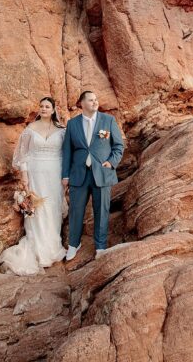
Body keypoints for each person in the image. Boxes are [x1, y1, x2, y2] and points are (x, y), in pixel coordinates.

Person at [0, 96, 67, 275]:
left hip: (55, 173)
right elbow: (23, 156)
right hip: (35, 173)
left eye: (47, 106)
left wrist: (66, 177)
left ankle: (53, 247)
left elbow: (67, 154)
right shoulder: (30, 129)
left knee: (52, 208)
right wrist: (25, 178)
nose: (43, 109)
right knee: (37, 209)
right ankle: (38, 250)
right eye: (41, 106)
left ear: (53, 110)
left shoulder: (62, 130)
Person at [61, 90, 124, 261]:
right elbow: (67, 151)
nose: (95, 102)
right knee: (76, 211)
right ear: (82, 103)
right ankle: (74, 244)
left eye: (96, 100)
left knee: (102, 211)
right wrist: (65, 175)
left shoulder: (108, 120)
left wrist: (111, 162)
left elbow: (119, 146)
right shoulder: (72, 124)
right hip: (78, 174)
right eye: (91, 100)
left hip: (102, 173)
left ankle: (101, 247)